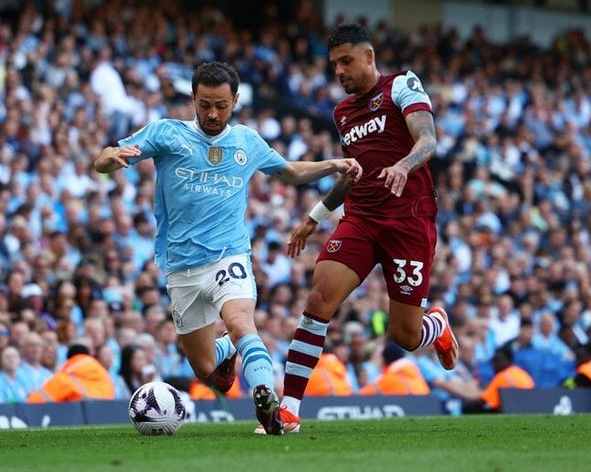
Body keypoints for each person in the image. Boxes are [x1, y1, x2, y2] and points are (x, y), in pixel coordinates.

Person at [94, 60, 361, 435]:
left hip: (229, 256)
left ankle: (267, 399)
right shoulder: (167, 133)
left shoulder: (246, 141)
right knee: (205, 367)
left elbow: (289, 172)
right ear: (193, 98)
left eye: (221, 105)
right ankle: (229, 349)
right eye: (205, 105)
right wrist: (108, 159)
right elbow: (107, 158)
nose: (212, 114)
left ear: (235, 100)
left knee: (240, 322)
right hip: (181, 266)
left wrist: (332, 164)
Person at [271, 23, 459, 434]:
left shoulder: (401, 86)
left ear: (369, 56)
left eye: (346, 61)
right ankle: (288, 410)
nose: (339, 71)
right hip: (361, 219)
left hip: (409, 221)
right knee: (319, 299)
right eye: (334, 64)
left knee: (405, 336)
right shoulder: (342, 113)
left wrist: (403, 165)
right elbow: (351, 175)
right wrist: (313, 217)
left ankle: (437, 326)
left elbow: (428, 141)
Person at [27, 342, 115, 403]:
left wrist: (32, 396)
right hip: (107, 415)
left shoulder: (67, 374)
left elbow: (37, 401)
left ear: (69, 358)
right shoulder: (103, 373)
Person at [463, 345, 534, 413]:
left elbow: (483, 400)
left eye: (497, 360)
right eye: (494, 361)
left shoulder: (503, 376)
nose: (494, 364)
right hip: (529, 409)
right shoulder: (522, 373)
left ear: (508, 360)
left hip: (513, 411)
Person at [359, 342, 430, 396]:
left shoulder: (388, 379)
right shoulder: (417, 377)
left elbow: (362, 395)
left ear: (384, 360)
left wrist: (364, 385)